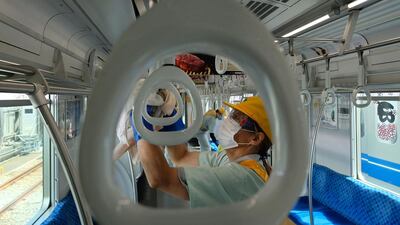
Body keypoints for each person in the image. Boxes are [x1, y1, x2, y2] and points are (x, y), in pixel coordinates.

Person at [134, 96, 273, 208]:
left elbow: (160, 179)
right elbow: (181, 157)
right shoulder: (232, 158)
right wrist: (170, 116)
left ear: (255, 138)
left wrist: (140, 121)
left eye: (238, 119)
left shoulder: (242, 178)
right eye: (232, 115)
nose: (228, 120)